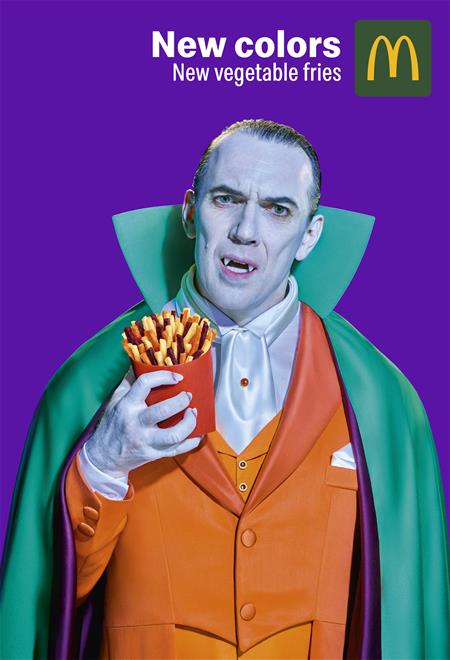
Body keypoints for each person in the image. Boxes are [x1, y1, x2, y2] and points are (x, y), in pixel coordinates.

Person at [1, 120, 449, 660]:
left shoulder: (383, 400)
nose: (245, 231)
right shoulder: (84, 385)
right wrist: (101, 464)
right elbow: (45, 606)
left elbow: (402, 607)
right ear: (191, 213)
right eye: (226, 199)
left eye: (278, 209)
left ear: (310, 234)